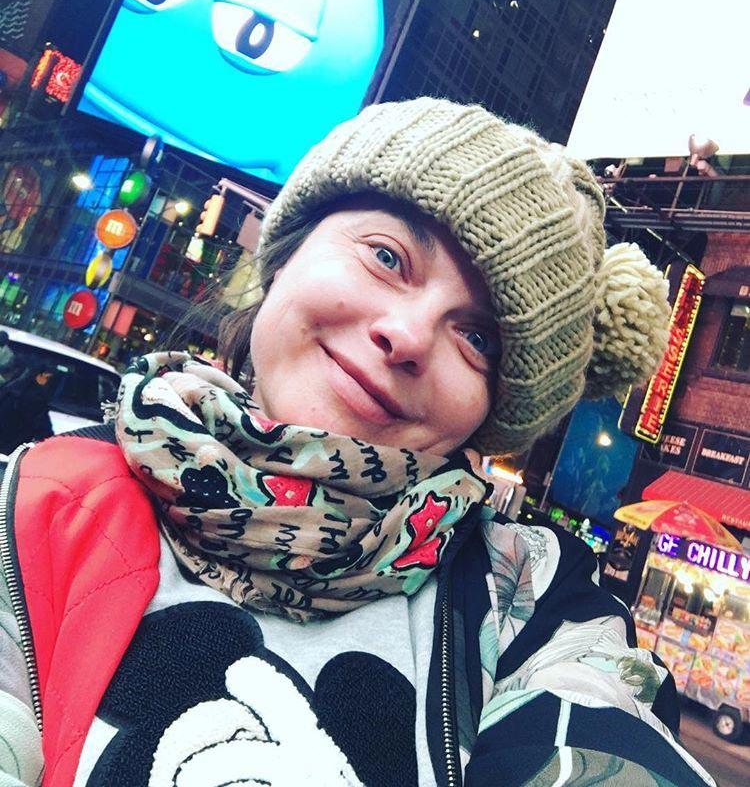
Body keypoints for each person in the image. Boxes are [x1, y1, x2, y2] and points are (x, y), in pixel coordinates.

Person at [0, 99, 715, 787]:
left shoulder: (531, 602)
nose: (406, 336)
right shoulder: (37, 501)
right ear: (289, 252)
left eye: (476, 337)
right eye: (386, 257)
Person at [0, 363, 54, 455]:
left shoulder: (9, 388)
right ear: (38, 376)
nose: (47, 382)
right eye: (47, 378)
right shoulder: (34, 398)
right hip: (10, 452)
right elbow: (43, 430)